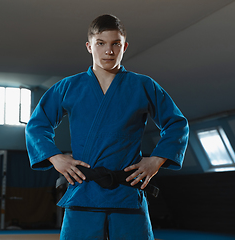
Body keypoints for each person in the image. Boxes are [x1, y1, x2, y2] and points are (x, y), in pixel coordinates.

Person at [25, 14, 189, 240]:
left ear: (125, 46)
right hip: (83, 193)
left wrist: (156, 160)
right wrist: (54, 157)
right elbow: (37, 125)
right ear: (89, 46)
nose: (108, 51)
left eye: (115, 44)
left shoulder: (143, 85)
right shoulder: (68, 87)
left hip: (127, 193)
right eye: (100, 44)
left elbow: (176, 124)